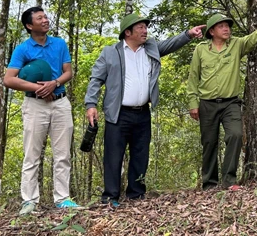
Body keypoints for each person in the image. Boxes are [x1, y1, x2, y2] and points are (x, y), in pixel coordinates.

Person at [84, 13, 204, 205]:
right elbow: (96, 79)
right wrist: (91, 104)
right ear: (127, 32)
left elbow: (170, 44)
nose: (145, 30)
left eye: (145, 27)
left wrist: (188, 34)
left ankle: (136, 195)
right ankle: (110, 197)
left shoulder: (151, 48)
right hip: (118, 114)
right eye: (140, 27)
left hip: (142, 113)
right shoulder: (110, 52)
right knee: (113, 157)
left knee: (141, 155)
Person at [187, 13, 257, 191]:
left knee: (235, 135)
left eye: (227, 26)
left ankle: (229, 180)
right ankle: (209, 184)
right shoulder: (201, 49)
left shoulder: (236, 45)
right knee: (209, 142)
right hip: (207, 103)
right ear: (212, 31)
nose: (226, 29)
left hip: (231, 103)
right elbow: (193, 77)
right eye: (221, 26)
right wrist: (193, 103)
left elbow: (251, 39)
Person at [3, 6, 79, 215]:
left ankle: (62, 198)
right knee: (32, 154)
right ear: (30, 25)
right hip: (35, 105)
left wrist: (53, 83)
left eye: (45, 17)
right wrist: (39, 88)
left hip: (61, 103)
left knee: (62, 153)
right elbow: (9, 79)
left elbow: (68, 72)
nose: (45, 20)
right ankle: (29, 201)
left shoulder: (60, 44)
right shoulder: (23, 49)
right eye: (40, 18)